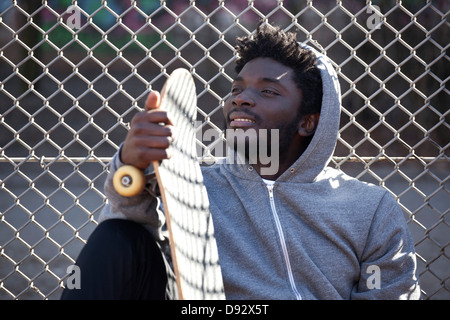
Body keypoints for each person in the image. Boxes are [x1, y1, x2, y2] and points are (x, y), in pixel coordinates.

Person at [61, 23, 420, 300]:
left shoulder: (369, 208)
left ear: (309, 120)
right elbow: (127, 218)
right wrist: (130, 165)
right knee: (116, 237)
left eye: (267, 91)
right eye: (236, 89)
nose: (241, 99)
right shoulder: (195, 186)